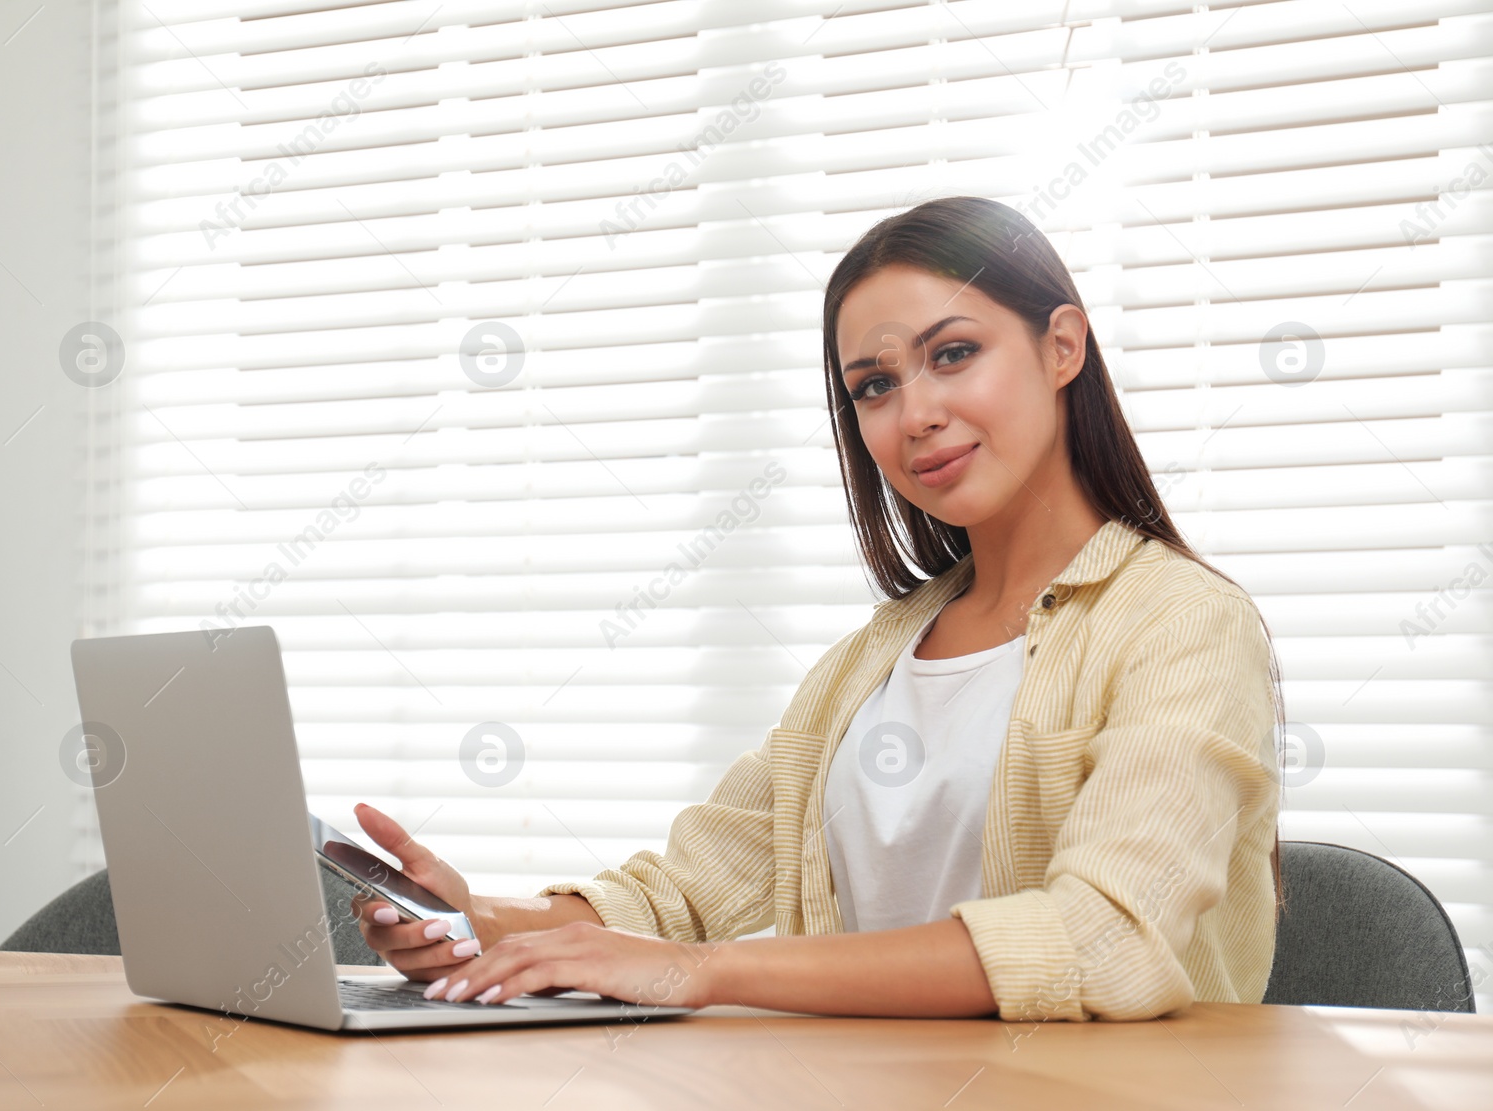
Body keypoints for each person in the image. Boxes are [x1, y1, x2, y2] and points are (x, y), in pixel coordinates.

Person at [350, 195, 1286, 1021]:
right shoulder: (872, 660)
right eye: (873, 386)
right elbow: (681, 896)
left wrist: (704, 974)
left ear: (1061, 347)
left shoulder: (1183, 622)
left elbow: (1101, 939)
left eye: (952, 354)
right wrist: (473, 919)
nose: (912, 413)